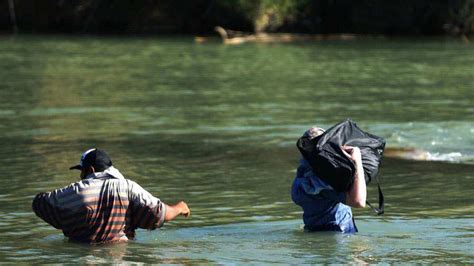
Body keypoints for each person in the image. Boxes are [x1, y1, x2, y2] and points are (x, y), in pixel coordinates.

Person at [32, 148, 190, 244]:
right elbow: (159, 214)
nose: (80, 175)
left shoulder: (77, 190)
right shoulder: (129, 187)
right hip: (122, 254)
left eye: (82, 171)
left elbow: (40, 204)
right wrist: (180, 207)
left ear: (91, 171)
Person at [291, 127, 366, 233]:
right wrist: (357, 160)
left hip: (313, 231)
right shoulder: (323, 182)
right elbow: (359, 202)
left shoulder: (301, 177)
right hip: (339, 234)